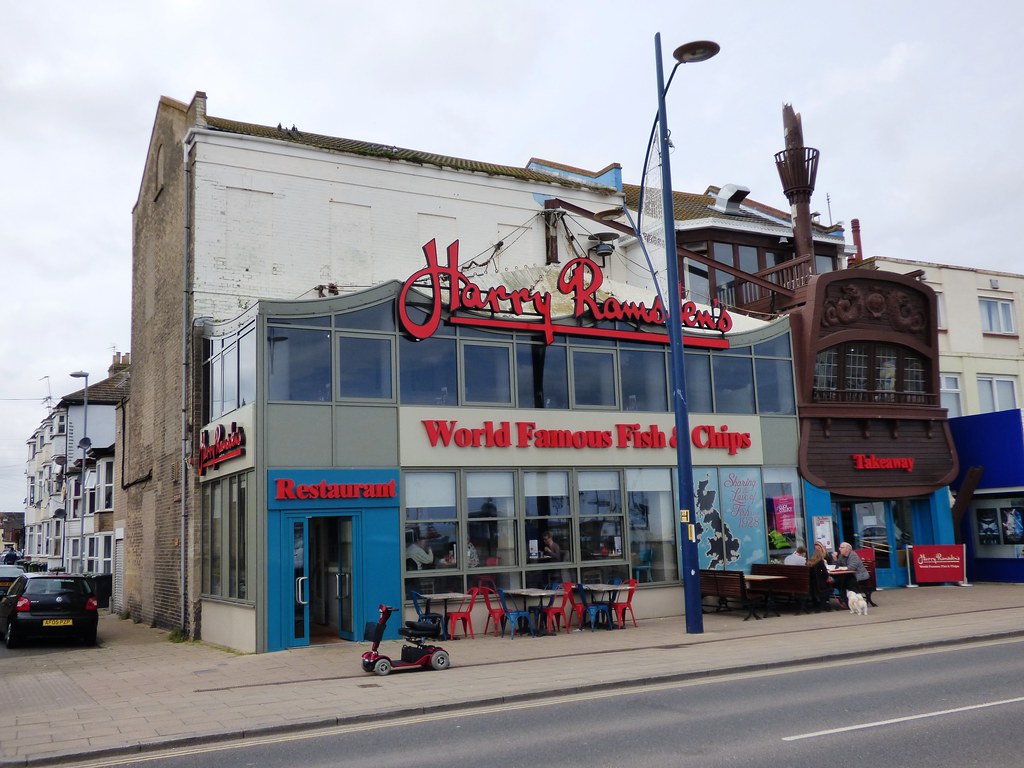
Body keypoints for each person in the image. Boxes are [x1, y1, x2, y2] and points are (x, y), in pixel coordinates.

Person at [806, 541, 835, 611]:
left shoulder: (809, 561)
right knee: (831, 582)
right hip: (821, 584)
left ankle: (818, 605)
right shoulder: (820, 562)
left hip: (812, 584)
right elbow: (825, 574)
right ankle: (826, 603)